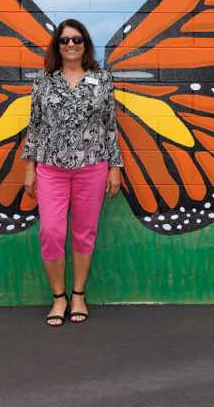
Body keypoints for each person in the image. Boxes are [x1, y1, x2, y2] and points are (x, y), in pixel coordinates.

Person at [21, 18, 124, 326]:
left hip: (92, 166)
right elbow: (34, 126)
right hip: (51, 167)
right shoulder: (44, 80)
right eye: (64, 40)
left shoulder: (102, 79)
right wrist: (30, 169)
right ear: (57, 45)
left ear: (85, 45)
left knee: (84, 233)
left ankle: (78, 294)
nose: (70, 45)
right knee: (51, 232)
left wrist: (115, 167)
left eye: (76, 39)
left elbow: (109, 125)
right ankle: (58, 297)